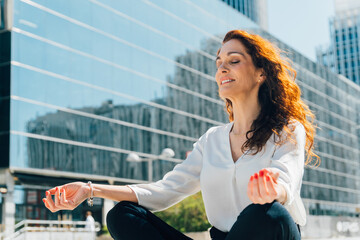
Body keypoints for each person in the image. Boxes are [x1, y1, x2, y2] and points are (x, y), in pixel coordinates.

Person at [42, 30, 319, 240]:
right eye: (219, 62)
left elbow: (286, 177)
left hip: (272, 233)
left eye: (234, 61)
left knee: (268, 213)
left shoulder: (286, 130)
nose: (222, 68)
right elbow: (162, 192)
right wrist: (90, 190)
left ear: (261, 73)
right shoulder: (211, 141)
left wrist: (274, 189)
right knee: (122, 215)